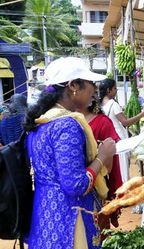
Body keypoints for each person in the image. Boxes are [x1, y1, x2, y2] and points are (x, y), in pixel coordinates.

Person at [24, 57, 116, 249]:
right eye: (91, 83)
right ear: (73, 86)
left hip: (45, 216)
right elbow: (76, 185)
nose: (95, 89)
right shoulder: (66, 126)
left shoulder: (41, 122)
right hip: (68, 221)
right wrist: (102, 156)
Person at [76, 95, 123, 227]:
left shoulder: (102, 122)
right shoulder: (65, 122)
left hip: (96, 188)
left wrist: (98, 159)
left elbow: (109, 167)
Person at [99, 78, 144, 182]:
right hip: (120, 141)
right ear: (109, 90)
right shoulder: (113, 104)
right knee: (123, 171)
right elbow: (125, 122)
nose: (116, 90)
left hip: (111, 141)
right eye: (115, 88)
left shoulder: (101, 105)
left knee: (116, 171)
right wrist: (141, 115)